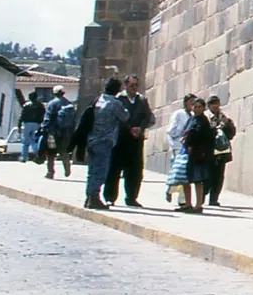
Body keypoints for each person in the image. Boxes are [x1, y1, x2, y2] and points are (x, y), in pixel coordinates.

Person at [105, 74, 155, 207]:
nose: (134, 88)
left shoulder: (142, 100)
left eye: (136, 85)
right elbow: (116, 117)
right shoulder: (119, 99)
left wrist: (141, 128)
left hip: (136, 141)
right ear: (126, 85)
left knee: (135, 171)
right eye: (131, 85)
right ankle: (110, 196)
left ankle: (131, 197)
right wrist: (129, 128)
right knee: (114, 170)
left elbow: (148, 117)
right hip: (120, 140)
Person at [83, 79, 130, 210]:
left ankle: (89, 196)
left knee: (92, 170)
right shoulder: (115, 103)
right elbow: (125, 116)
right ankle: (94, 197)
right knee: (100, 171)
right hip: (104, 141)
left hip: (91, 139)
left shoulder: (97, 100)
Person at [181, 98, 215, 213]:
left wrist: (190, 136)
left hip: (199, 154)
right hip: (190, 152)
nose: (197, 109)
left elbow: (200, 135)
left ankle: (198, 204)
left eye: (199, 107)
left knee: (197, 180)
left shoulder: (203, 121)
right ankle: (188, 203)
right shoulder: (192, 119)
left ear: (203, 108)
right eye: (195, 106)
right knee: (186, 179)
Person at [164, 94, 196, 208]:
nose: (192, 105)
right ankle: (170, 190)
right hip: (178, 145)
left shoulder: (193, 116)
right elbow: (170, 131)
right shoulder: (178, 114)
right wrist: (173, 146)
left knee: (184, 173)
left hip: (187, 147)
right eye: (191, 102)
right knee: (177, 171)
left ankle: (183, 200)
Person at [39, 88, 78, 178]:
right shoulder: (69, 104)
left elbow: (47, 118)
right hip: (66, 132)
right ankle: (67, 167)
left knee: (51, 153)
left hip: (53, 132)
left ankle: (50, 172)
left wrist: (45, 130)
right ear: (63, 93)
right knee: (63, 151)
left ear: (54, 93)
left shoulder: (52, 103)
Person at [205, 96, 236, 206]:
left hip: (221, 150)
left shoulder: (223, 117)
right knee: (207, 173)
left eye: (217, 103)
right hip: (208, 150)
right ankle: (204, 192)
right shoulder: (206, 117)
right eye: (213, 104)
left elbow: (231, 132)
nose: (216, 106)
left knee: (219, 175)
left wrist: (225, 126)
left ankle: (214, 198)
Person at [19, 93, 46, 163]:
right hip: (37, 124)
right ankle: (37, 155)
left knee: (25, 141)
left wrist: (19, 125)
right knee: (34, 140)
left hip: (27, 124)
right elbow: (43, 114)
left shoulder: (26, 105)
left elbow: (22, 115)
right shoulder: (40, 105)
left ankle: (24, 157)